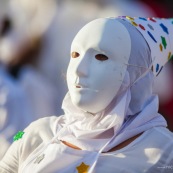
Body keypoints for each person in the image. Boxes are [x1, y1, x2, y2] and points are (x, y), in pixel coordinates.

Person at [0, 16, 173, 173]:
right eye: (75, 55)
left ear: (138, 74)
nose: (79, 70)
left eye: (101, 57)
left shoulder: (165, 152)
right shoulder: (33, 133)